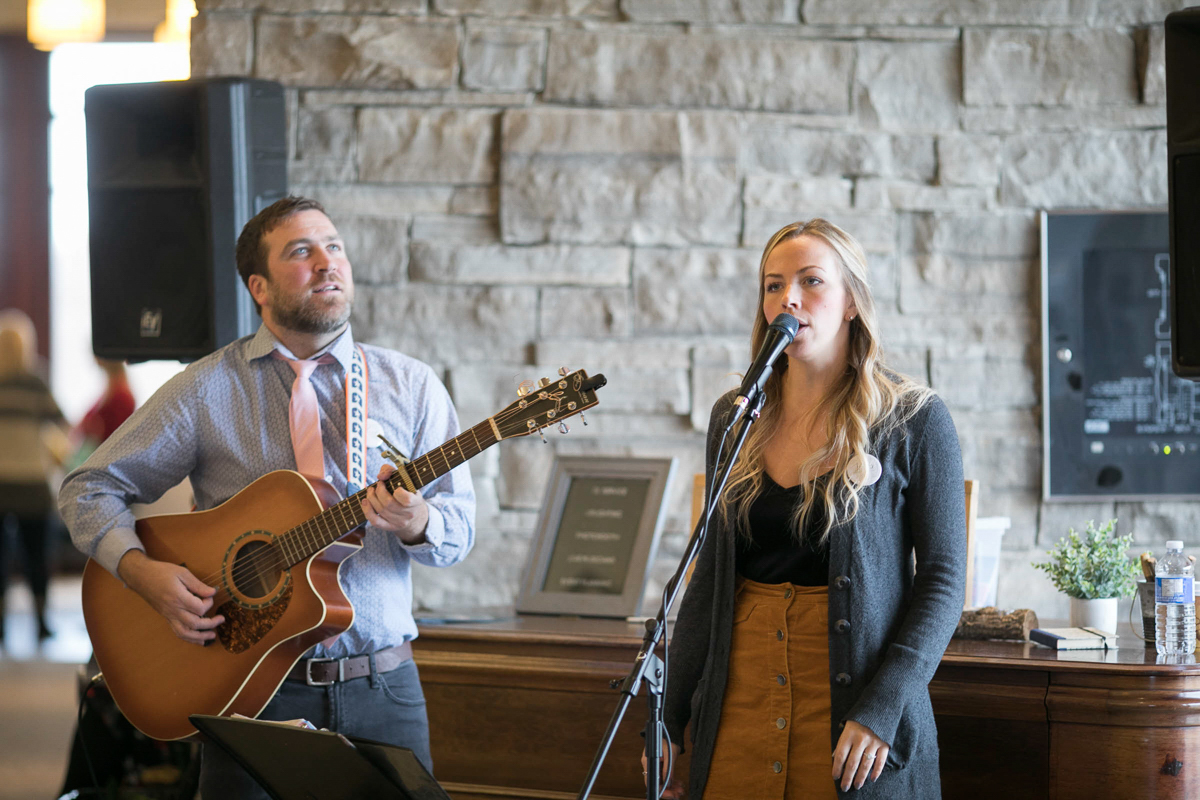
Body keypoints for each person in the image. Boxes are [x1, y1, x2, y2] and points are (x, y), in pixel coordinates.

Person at [59, 196, 476, 798]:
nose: (327, 263)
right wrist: (141, 573)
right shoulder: (206, 388)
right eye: (301, 252)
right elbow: (88, 486)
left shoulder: (408, 385)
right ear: (259, 285)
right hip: (249, 689)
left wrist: (418, 521)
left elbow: (456, 535)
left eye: (334, 246)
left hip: (382, 685)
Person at [647, 219, 965, 799]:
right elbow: (709, 580)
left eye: (810, 281)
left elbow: (943, 582)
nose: (787, 298)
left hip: (854, 716)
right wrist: (667, 720)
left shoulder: (913, 419)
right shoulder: (736, 415)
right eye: (773, 285)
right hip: (737, 703)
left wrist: (884, 706)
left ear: (850, 302)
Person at [0, 308, 69, 644]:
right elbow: (61, 422)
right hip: (31, 482)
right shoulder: (35, 381)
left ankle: (0, 627)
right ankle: (41, 623)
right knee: (36, 556)